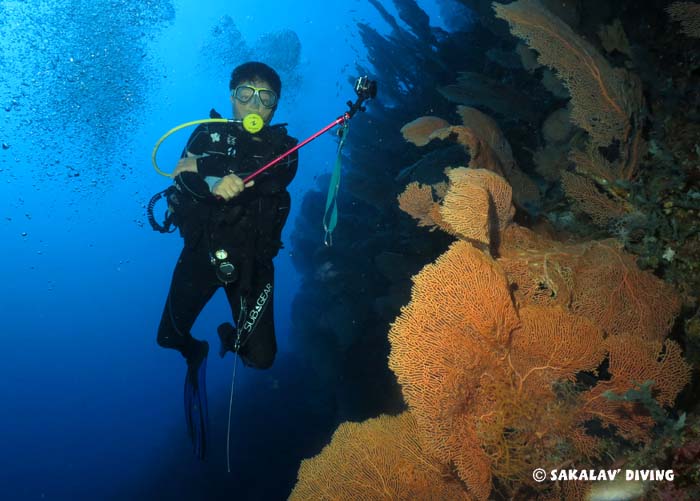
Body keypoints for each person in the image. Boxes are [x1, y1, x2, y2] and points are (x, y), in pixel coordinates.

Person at [156, 62, 298, 460]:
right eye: (246, 94)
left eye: (266, 97)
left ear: (275, 106)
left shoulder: (285, 149)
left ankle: (228, 336)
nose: (255, 103)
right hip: (202, 254)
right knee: (168, 337)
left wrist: (207, 169)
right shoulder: (207, 133)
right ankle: (195, 351)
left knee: (262, 359)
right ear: (231, 96)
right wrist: (211, 182)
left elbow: (273, 175)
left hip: (254, 264)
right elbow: (179, 178)